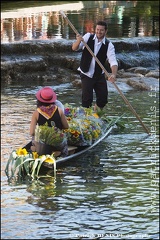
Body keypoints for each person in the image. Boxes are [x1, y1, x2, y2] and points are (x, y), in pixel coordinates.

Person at [72, 20, 118, 111]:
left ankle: (96, 115)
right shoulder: (88, 37)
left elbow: (113, 62)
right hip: (86, 73)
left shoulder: (109, 45)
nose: (99, 32)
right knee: (87, 99)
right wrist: (78, 41)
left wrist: (113, 74)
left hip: (99, 75)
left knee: (103, 99)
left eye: (101, 30)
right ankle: (87, 119)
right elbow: (74, 48)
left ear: (106, 31)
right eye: (97, 29)